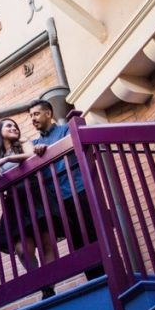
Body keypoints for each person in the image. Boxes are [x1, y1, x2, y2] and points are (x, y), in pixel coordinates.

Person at [0, 118, 64, 299]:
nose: (14, 128)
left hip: (34, 193)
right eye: (9, 126)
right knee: (22, 249)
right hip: (14, 201)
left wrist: (7, 158)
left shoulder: (22, 141)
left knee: (46, 242)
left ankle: (49, 287)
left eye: (15, 126)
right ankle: (41, 282)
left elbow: (30, 155)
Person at [28, 99, 105, 281]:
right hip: (56, 203)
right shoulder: (33, 144)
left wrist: (48, 150)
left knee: (93, 236)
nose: (33, 119)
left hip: (77, 190)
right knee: (77, 244)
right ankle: (96, 282)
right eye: (30, 116)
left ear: (48, 113)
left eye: (36, 114)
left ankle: (110, 277)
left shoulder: (66, 130)